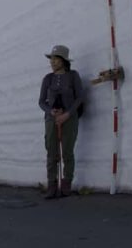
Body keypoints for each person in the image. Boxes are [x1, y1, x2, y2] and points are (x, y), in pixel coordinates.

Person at [38, 44, 85, 200]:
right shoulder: (48, 79)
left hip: (69, 119)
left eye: (56, 59)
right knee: (51, 152)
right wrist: (50, 111)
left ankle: (66, 185)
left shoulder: (73, 76)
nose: (52, 62)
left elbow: (79, 97)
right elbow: (41, 102)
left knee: (67, 152)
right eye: (51, 59)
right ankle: (52, 185)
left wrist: (68, 114)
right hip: (51, 119)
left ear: (64, 61)